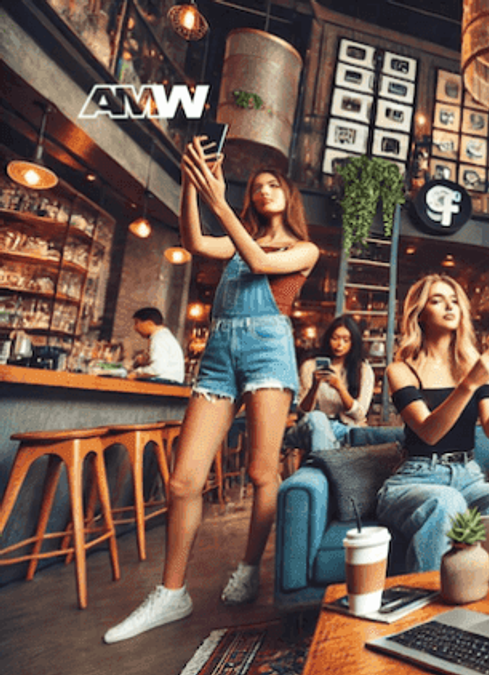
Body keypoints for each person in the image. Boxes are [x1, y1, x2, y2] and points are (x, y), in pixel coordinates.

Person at [105, 139, 319, 643]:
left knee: (262, 471)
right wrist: (191, 185)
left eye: (273, 185)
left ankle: (249, 567)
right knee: (183, 481)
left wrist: (218, 199)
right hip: (219, 353)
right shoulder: (237, 238)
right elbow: (197, 241)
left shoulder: (302, 249)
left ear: (288, 196)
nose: (263, 191)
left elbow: (260, 263)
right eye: (257, 187)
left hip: (268, 351)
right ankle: (171, 592)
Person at [377, 274, 489, 572]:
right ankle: (428, 599)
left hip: (468, 477)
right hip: (417, 478)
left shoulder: (472, 364)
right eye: (437, 300)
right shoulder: (401, 370)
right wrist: (469, 384)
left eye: (454, 301)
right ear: (420, 314)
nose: (449, 307)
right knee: (445, 502)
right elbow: (429, 432)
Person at [284, 315, 374, 453]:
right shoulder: (310, 366)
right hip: (313, 425)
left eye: (346, 340)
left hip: (345, 429)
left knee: (349, 432)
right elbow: (303, 411)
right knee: (317, 417)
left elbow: (360, 414)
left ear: (353, 342)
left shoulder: (363, 370)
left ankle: (326, 456)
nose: (339, 344)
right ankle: (331, 457)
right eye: (335, 338)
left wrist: (340, 388)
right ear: (328, 339)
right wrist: (314, 386)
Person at [128, 307, 186, 383]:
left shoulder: (159, 338)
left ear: (149, 323)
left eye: (136, 323)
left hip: (164, 382)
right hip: (169, 381)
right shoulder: (163, 336)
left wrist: (136, 373)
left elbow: (156, 369)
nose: (135, 328)